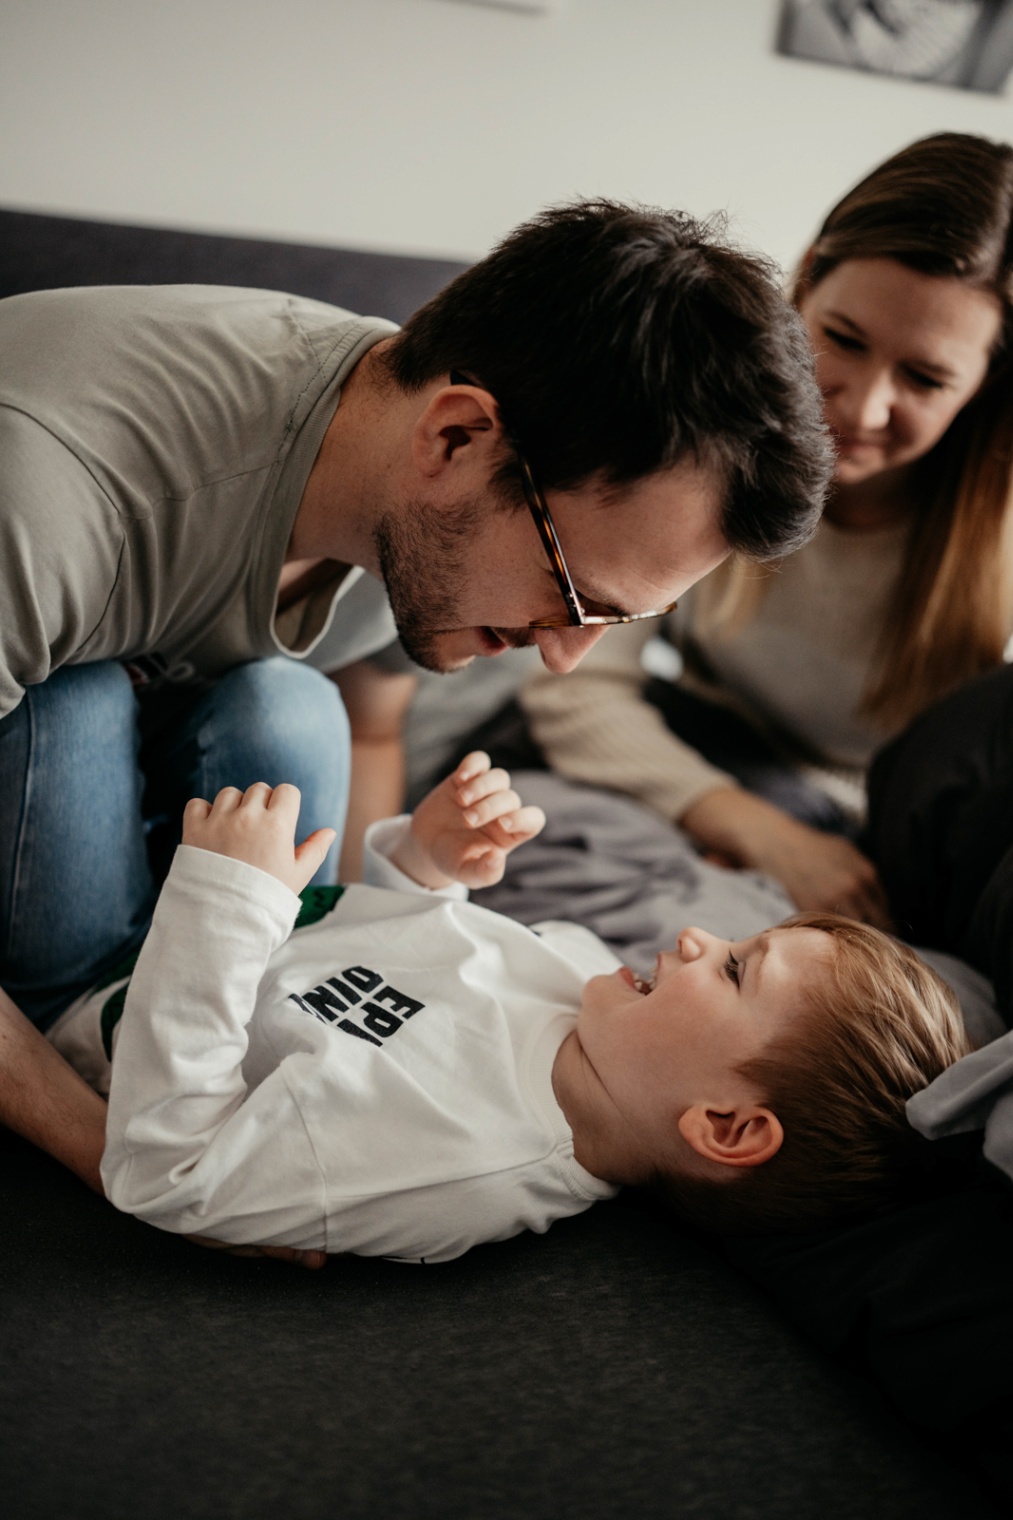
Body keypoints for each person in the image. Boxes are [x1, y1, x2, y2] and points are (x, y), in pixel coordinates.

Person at [0, 199, 833, 1192]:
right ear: (454, 438)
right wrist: (117, 1156)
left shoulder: (408, 505)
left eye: (614, 623)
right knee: (79, 701)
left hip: (183, 881)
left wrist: (383, 917)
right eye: (574, 598)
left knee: (290, 701)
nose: (561, 661)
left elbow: (371, 726)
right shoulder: (44, 498)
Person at [43, 755, 966, 1260]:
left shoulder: (460, 1163)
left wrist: (223, 901)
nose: (696, 938)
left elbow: (168, 1172)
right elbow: (390, 951)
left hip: (98, 994)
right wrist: (431, 865)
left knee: (79, 716)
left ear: (723, 1127)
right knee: (291, 706)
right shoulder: (585, 989)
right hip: (238, 909)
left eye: (732, 972)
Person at [521, 133, 1013, 928]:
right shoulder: (700, 437)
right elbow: (572, 681)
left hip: (885, 834)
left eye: (924, 378)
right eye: (843, 340)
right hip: (704, 761)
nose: (860, 409)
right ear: (807, 280)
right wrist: (753, 829)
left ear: (986, 388)